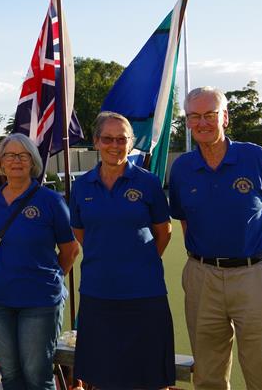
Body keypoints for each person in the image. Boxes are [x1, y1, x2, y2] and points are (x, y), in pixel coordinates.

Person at [169, 87, 262, 390]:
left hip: (253, 276)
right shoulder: (182, 167)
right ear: (187, 122)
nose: (202, 123)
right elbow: (184, 219)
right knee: (208, 374)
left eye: (209, 115)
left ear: (224, 117)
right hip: (202, 278)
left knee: (261, 370)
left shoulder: (254, 157)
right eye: (194, 116)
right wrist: (200, 260)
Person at [69, 111, 175, 389]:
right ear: (96, 141)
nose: (114, 145)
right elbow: (82, 233)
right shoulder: (81, 186)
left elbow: (164, 232)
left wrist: (139, 262)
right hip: (98, 293)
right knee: (103, 375)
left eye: (122, 139)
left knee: (150, 375)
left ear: (130, 143)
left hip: (144, 293)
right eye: (107, 138)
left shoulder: (148, 182)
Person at [0, 133, 79, 390]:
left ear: (32, 161)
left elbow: (70, 250)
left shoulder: (51, 201)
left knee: (37, 376)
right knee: (10, 375)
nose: (16, 161)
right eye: (10, 155)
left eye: (23, 155)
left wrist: (51, 278)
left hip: (39, 302)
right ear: (1, 162)